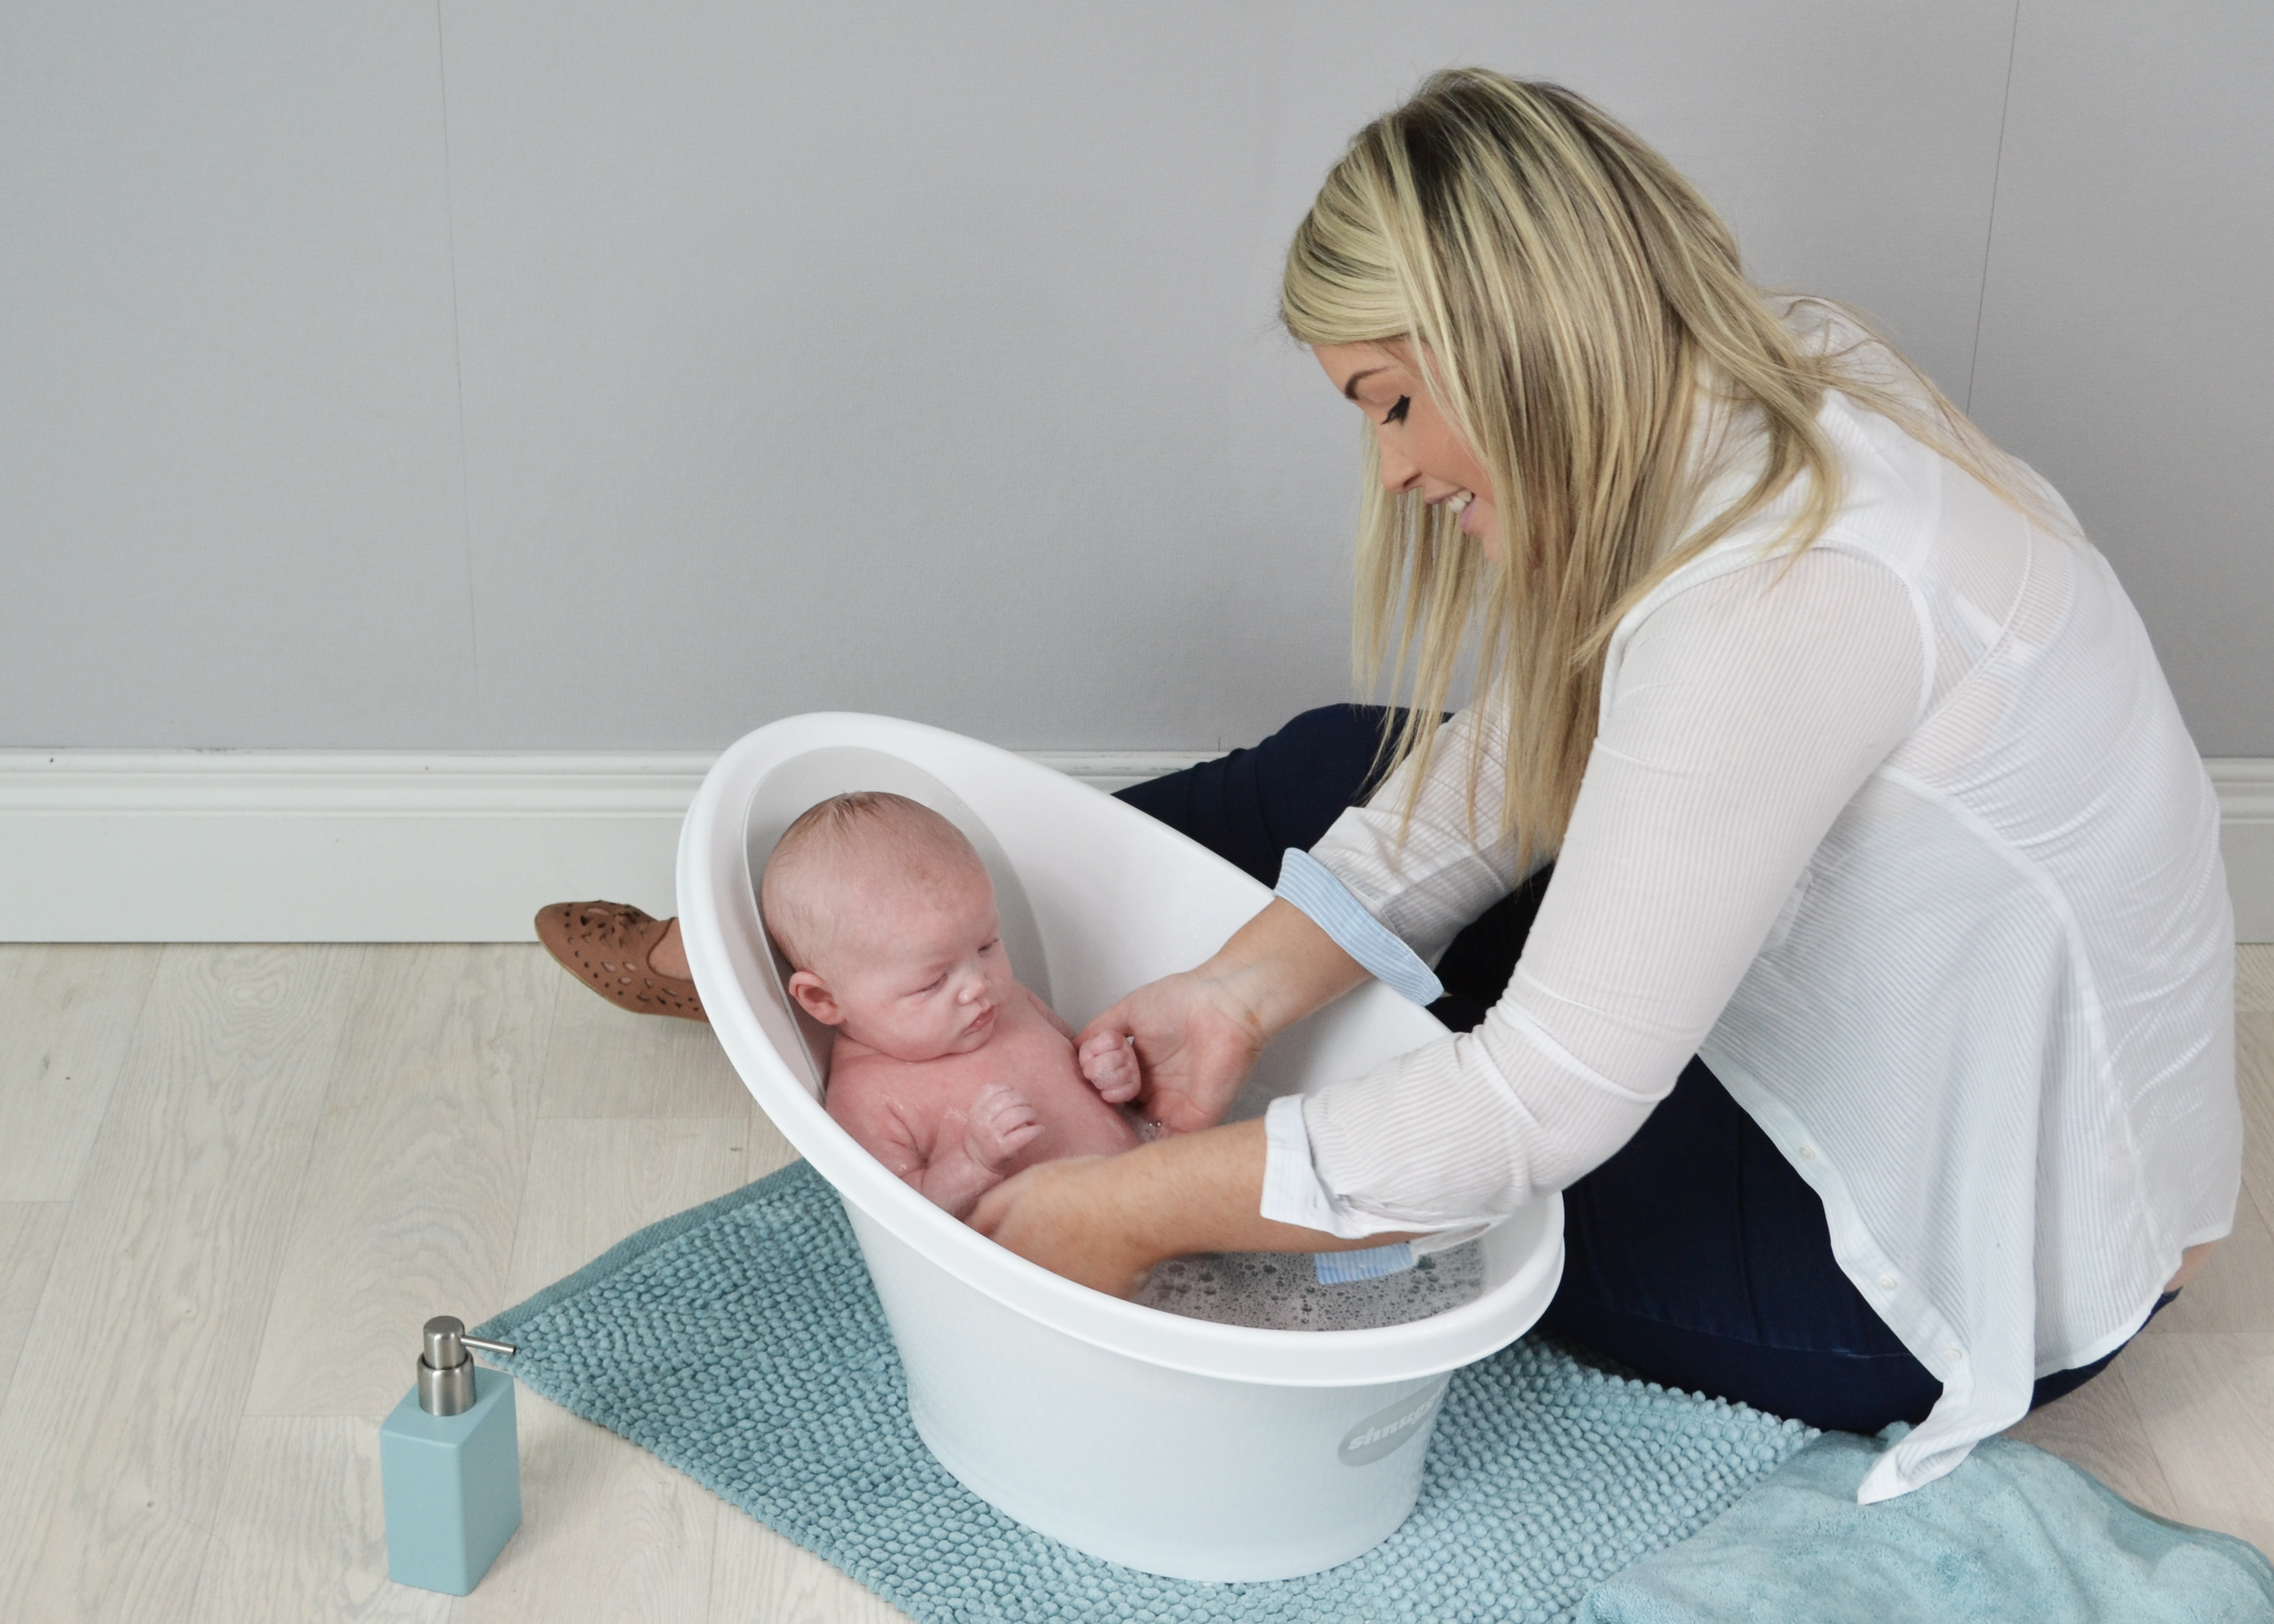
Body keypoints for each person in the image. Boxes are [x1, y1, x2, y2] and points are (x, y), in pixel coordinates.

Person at [536, 70, 2238, 1504]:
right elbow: (1537, 739)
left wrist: (1113, 1208)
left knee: (1424, 1212)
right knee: (1344, 758)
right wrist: (1233, 990)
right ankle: (856, 949)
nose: (1401, 470)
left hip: (1947, 1266)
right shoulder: (1778, 366)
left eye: (1396, 402)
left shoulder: (1782, 606)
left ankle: (874, 975)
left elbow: (1527, 1112)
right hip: (1930, 1076)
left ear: (1516, 335)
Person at [761, 792, 1145, 1219]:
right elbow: (902, 1217)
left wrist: (1113, 1071)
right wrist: (974, 1163)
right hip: (1054, 1249)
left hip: (1155, 1194)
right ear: (825, 999)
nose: (978, 985)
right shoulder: (866, 1096)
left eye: (986, 945)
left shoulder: (1011, 1001)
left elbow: (1083, 1065)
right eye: (933, 981)